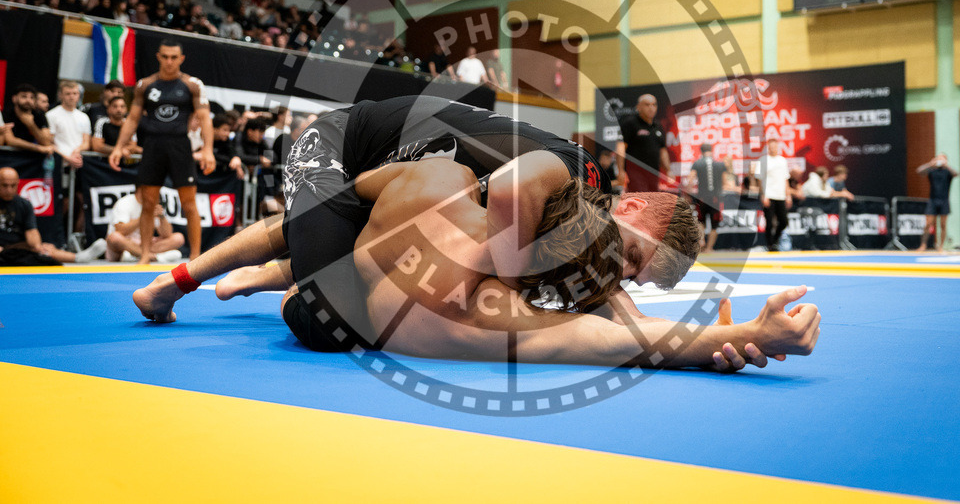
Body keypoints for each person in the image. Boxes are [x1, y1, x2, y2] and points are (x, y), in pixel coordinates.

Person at [150, 158, 821, 372]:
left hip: (349, 265)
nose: (623, 281)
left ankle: (207, 277)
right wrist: (748, 336)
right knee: (303, 272)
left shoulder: (443, 177)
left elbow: (345, 203)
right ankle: (273, 274)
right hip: (326, 317)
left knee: (306, 242)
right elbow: (625, 339)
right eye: (629, 263)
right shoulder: (503, 316)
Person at [131, 95, 701, 328]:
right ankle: (174, 282)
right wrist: (509, 271)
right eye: (631, 255)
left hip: (391, 185)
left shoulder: (578, 224)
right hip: (338, 142)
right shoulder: (582, 174)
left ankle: (283, 270)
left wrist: (642, 329)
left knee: (381, 254)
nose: (618, 274)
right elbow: (507, 189)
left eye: (633, 277)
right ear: (630, 206)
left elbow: (602, 286)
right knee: (332, 321)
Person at [108, 40, 215, 263]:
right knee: (148, 203)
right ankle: (145, 255)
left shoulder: (192, 84)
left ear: (181, 59)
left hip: (180, 146)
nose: (169, 61)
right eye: (165, 56)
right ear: (158, 57)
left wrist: (208, 150)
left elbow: (204, 118)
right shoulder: (145, 85)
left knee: (189, 203)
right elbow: (133, 119)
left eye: (173, 57)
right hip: (153, 147)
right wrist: (118, 147)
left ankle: (196, 257)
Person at [0, 168, 107, 266]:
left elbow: (31, 232)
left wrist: (37, 246)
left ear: (18, 183)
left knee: (45, 249)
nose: (9, 190)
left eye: (13, 185)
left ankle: (78, 258)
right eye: (4, 185)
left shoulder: (24, 205)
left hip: (16, 248)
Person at [105, 187, 184, 263]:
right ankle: (154, 257)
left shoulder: (153, 203)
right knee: (114, 237)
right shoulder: (125, 202)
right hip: (127, 243)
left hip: (146, 244)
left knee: (178, 238)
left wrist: (161, 217)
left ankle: (136, 256)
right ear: (142, 189)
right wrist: (145, 217)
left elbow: (167, 234)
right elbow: (120, 230)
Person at [615, 94, 671, 193]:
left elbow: (663, 150)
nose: (651, 108)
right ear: (638, 107)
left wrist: (668, 170)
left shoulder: (658, 126)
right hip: (635, 173)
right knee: (642, 199)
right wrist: (621, 171)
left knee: (653, 200)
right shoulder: (630, 123)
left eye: (654, 105)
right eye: (647, 105)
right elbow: (620, 147)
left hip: (653, 172)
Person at [45, 80, 91, 171]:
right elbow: (49, 142)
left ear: (79, 95)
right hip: (57, 163)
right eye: (68, 94)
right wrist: (67, 157)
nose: (72, 97)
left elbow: (86, 142)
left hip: (78, 163)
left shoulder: (84, 117)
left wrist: (77, 151)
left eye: (75, 93)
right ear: (60, 95)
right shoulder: (51, 115)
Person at [916, 153, 958, 252]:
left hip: (944, 200)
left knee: (943, 225)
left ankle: (941, 246)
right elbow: (919, 171)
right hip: (932, 200)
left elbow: (956, 173)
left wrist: (946, 165)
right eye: (938, 158)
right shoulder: (932, 170)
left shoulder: (947, 171)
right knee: (928, 224)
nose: (939, 160)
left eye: (942, 158)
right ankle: (923, 245)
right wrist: (930, 164)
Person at [692, 143, 728, 252]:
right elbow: (725, 182)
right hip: (716, 198)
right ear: (711, 151)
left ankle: (702, 242)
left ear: (701, 151)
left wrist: (688, 192)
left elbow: (690, 179)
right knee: (714, 224)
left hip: (702, 197)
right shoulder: (720, 164)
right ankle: (709, 247)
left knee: (700, 221)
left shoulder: (697, 163)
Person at [759, 138, 791, 252]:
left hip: (780, 195)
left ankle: (775, 240)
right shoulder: (763, 160)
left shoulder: (782, 160)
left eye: (775, 147)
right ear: (768, 148)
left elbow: (785, 179)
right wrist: (763, 195)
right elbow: (759, 179)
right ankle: (770, 245)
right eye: (771, 147)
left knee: (783, 221)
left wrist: (788, 195)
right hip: (769, 194)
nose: (773, 149)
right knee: (769, 221)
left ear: (777, 147)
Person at [5, 84, 54, 155]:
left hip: (33, 157)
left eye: (32, 98)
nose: (28, 100)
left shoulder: (39, 115)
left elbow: (46, 142)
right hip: (11, 155)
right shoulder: (7, 114)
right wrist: (38, 148)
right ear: (14, 98)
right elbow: (10, 140)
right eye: (24, 96)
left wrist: (31, 125)